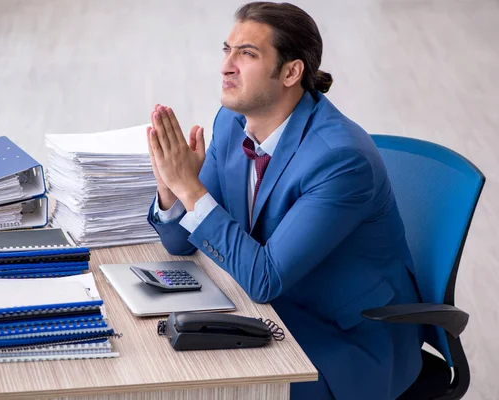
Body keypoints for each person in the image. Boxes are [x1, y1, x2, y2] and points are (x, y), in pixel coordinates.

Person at [145, 2, 423, 399]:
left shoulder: (341, 160)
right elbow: (181, 242)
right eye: (227, 50)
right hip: (269, 313)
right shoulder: (232, 121)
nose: (226, 65)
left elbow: (264, 279)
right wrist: (171, 191)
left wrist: (191, 189)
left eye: (247, 54)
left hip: (342, 343)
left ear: (292, 72)